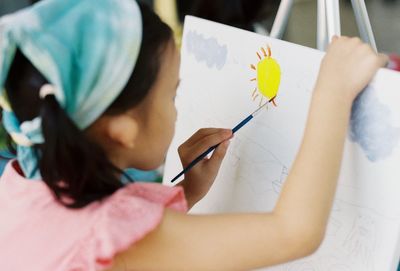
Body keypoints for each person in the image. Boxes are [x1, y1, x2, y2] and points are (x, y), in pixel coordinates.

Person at [0, 0, 387, 270]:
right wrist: (331, 92)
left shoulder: (20, 184)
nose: (177, 107)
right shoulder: (111, 235)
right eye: (172, 94)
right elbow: (294, 233)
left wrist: (186, 193)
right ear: (121, 130)